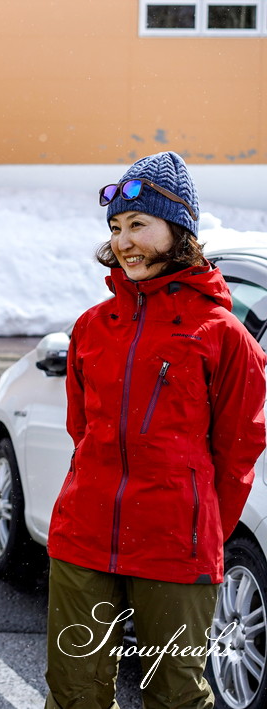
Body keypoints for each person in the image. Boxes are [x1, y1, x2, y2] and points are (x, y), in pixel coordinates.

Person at [44, 151, 267, 709]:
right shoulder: (93, 327)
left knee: (175, 697)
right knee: (74, 695)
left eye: (139, 224)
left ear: (180, 230)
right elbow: (82, 430)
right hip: (84, 540)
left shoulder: (223, 335)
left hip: (175, 545)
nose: (124, 241)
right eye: (116, 228)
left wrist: (198, 529)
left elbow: (238, 451)